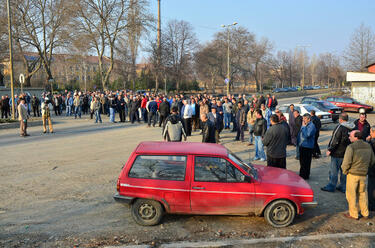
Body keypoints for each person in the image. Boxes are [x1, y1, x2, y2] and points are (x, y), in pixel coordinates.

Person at [341, 130, 375, 220]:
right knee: (362, 194)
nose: (349, 137)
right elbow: (372, 160)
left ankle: (354, 214)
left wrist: (345, 171)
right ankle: (365, 213)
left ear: (356, 137)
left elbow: (346, 162)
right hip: (363, 174)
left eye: (351, 136)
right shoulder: (368, 146)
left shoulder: (351, 147)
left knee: (351, 195)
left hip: (352, 174)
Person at [321, 113, 354, 193]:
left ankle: (332, 186)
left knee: (334, 171)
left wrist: (330, 149)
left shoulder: (340, 127)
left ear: (340, 119)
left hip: (337, 153)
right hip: (347, 153)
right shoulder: (352, 127)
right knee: (344, 171)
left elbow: (335, 140)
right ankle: (343, 186)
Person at [297, 113, 316, 180]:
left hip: (307, 146)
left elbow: (307, 135)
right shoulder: (305, 125)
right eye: (303, 118)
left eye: (305, 119)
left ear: (309, 119)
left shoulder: (311, 126)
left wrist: (304, 127)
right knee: (302, 161)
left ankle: (304, 175)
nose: (303, 120)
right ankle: (302, 174)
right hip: (302, 145)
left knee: (306, 162)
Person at [367, 126, 375, 211]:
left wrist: (367, 141)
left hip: (372, 169)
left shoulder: (372, 143)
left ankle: (371, 205)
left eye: (371, 132)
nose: (370, 133)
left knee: (371, 188)